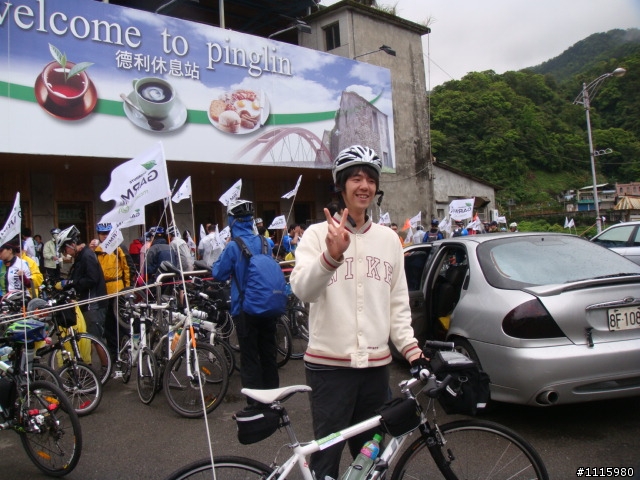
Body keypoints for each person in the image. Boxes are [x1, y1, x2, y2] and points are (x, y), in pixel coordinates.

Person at [289, 145, 424, 480]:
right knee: (326, 460)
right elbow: (303, 290)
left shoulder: (389, 240)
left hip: (376, 370)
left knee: (370, 460)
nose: (364, 186)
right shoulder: (316, 235)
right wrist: (331, 257)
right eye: (356, 179)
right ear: (341, 185)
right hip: (329, 369)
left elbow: (397, 304)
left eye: (371, 180)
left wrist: (412, 350)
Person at [213, 199, 279, 405]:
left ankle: (255, 405)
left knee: (250, 358)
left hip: (245, 308)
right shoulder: (265, 243)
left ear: (232, 221)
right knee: (268, 354)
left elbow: (218, 273)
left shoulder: (233, 246)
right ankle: (273, 400)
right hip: (268, 306)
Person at [56, 226, 108, 349]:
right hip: (87, 302)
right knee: (89, 339)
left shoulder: (87, 256)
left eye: (65, 249)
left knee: (96, 339)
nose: (66, 253)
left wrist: (72, 282)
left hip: (93, 304)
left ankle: (106, 361)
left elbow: (91, 279)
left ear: (72, 244)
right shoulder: (81, 256)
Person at [90, 223, 131, 359]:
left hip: (119, 290)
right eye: (102, 233)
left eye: (107, 233)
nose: (105, 236)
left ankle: (126, 349)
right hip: (103, 291)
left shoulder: (119, 247)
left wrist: (128, 289)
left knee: (121, 322)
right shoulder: (96, 250)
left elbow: (128, 268)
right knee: (107, 324)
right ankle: (113, 352)